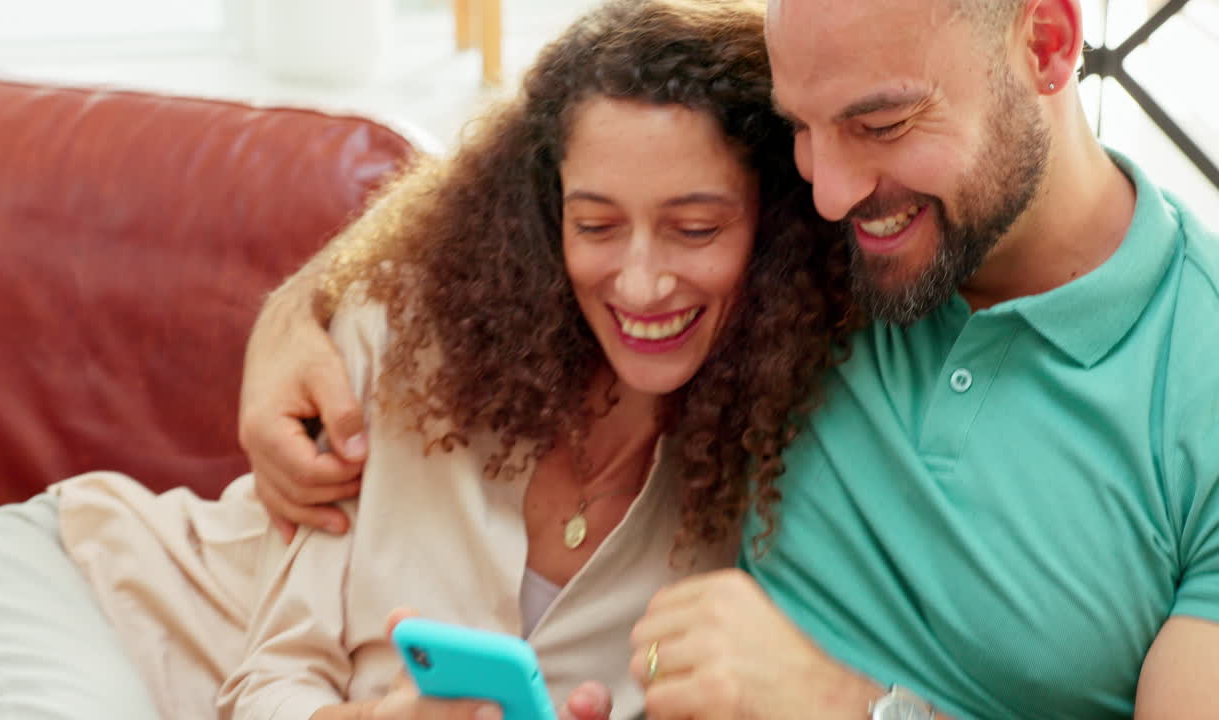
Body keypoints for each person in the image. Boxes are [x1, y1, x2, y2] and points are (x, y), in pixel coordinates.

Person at [248, 0, 1219, 717]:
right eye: (801, 129)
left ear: (1045, 45)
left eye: (879, 126)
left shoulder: (1197, 379)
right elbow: (558, 154)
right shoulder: (813, 235)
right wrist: (299, 308)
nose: (832, 191)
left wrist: (852, 709)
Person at [0, 1, 857, 719]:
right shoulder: (423, 338)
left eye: (696, 227)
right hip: (94, 602)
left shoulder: (780, 460)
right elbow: (270, 681)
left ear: (772, 229)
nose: (644, 282)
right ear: (546, 221)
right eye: (596, 225)